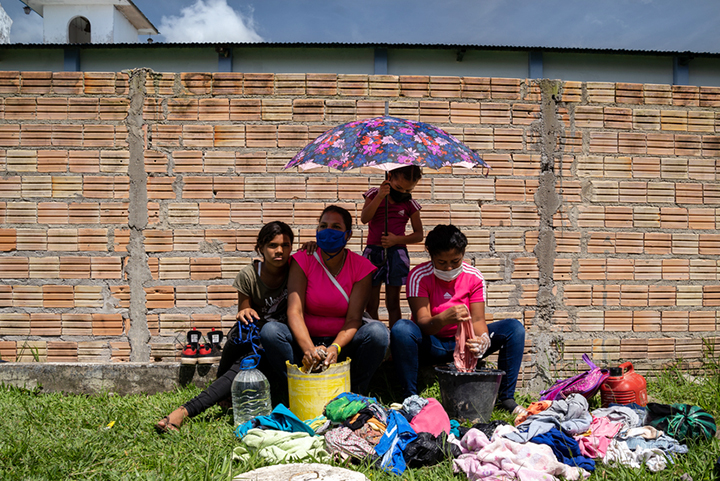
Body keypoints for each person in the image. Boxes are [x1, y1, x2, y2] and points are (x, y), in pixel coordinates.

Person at [155, 221, 295, 433]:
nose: (279, 251)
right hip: (257, 342)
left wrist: (312, 246)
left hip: (283, 341)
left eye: (285, 245)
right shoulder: (249, 275)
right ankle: (193, 407)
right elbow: (244, 307)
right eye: (272, 245)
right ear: (260, 248)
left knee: (245, 362)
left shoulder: (297, 269)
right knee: (245, 362)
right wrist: (244, 312)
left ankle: (185, 411)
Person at [390, 224, 527, 415]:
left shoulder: (474, 277)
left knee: (514, 328)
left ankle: (506, 398)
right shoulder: (419, 276)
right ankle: (411, 398)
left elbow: (478, 320)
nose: (448, 267)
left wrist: (483, 340)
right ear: (431, 256)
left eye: (455, 261)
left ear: (463, 254)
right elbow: (423, 323)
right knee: (401, 329)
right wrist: (443, 319)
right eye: (441, 262)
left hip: (465, 345)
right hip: (433, 344)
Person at [261, 205, 390, 405]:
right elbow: (294, 311)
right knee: (270, 331)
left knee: (378, 333)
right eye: (323, 225)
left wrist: (335, 348)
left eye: (336, 227)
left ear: (347, 235)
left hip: (343, 346)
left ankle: (353, 394)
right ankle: (300, 386)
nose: (328, 231)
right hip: (304, 342)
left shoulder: (362, 267)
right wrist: (309, 350)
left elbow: (354, 318)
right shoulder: (303, 259)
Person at [360, 165, 423, 327]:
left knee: (393, 302)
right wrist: (380, 197)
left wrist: (396, 240)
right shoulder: (374, 194)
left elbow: (419, 234)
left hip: (397, 254)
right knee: (371, 303)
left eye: (408, 190)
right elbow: (364, 218)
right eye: (398, 187)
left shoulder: (410, 204)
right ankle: (378, 338)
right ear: (389, 178)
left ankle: (395, 342)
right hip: (373, 253)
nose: (402, 192)